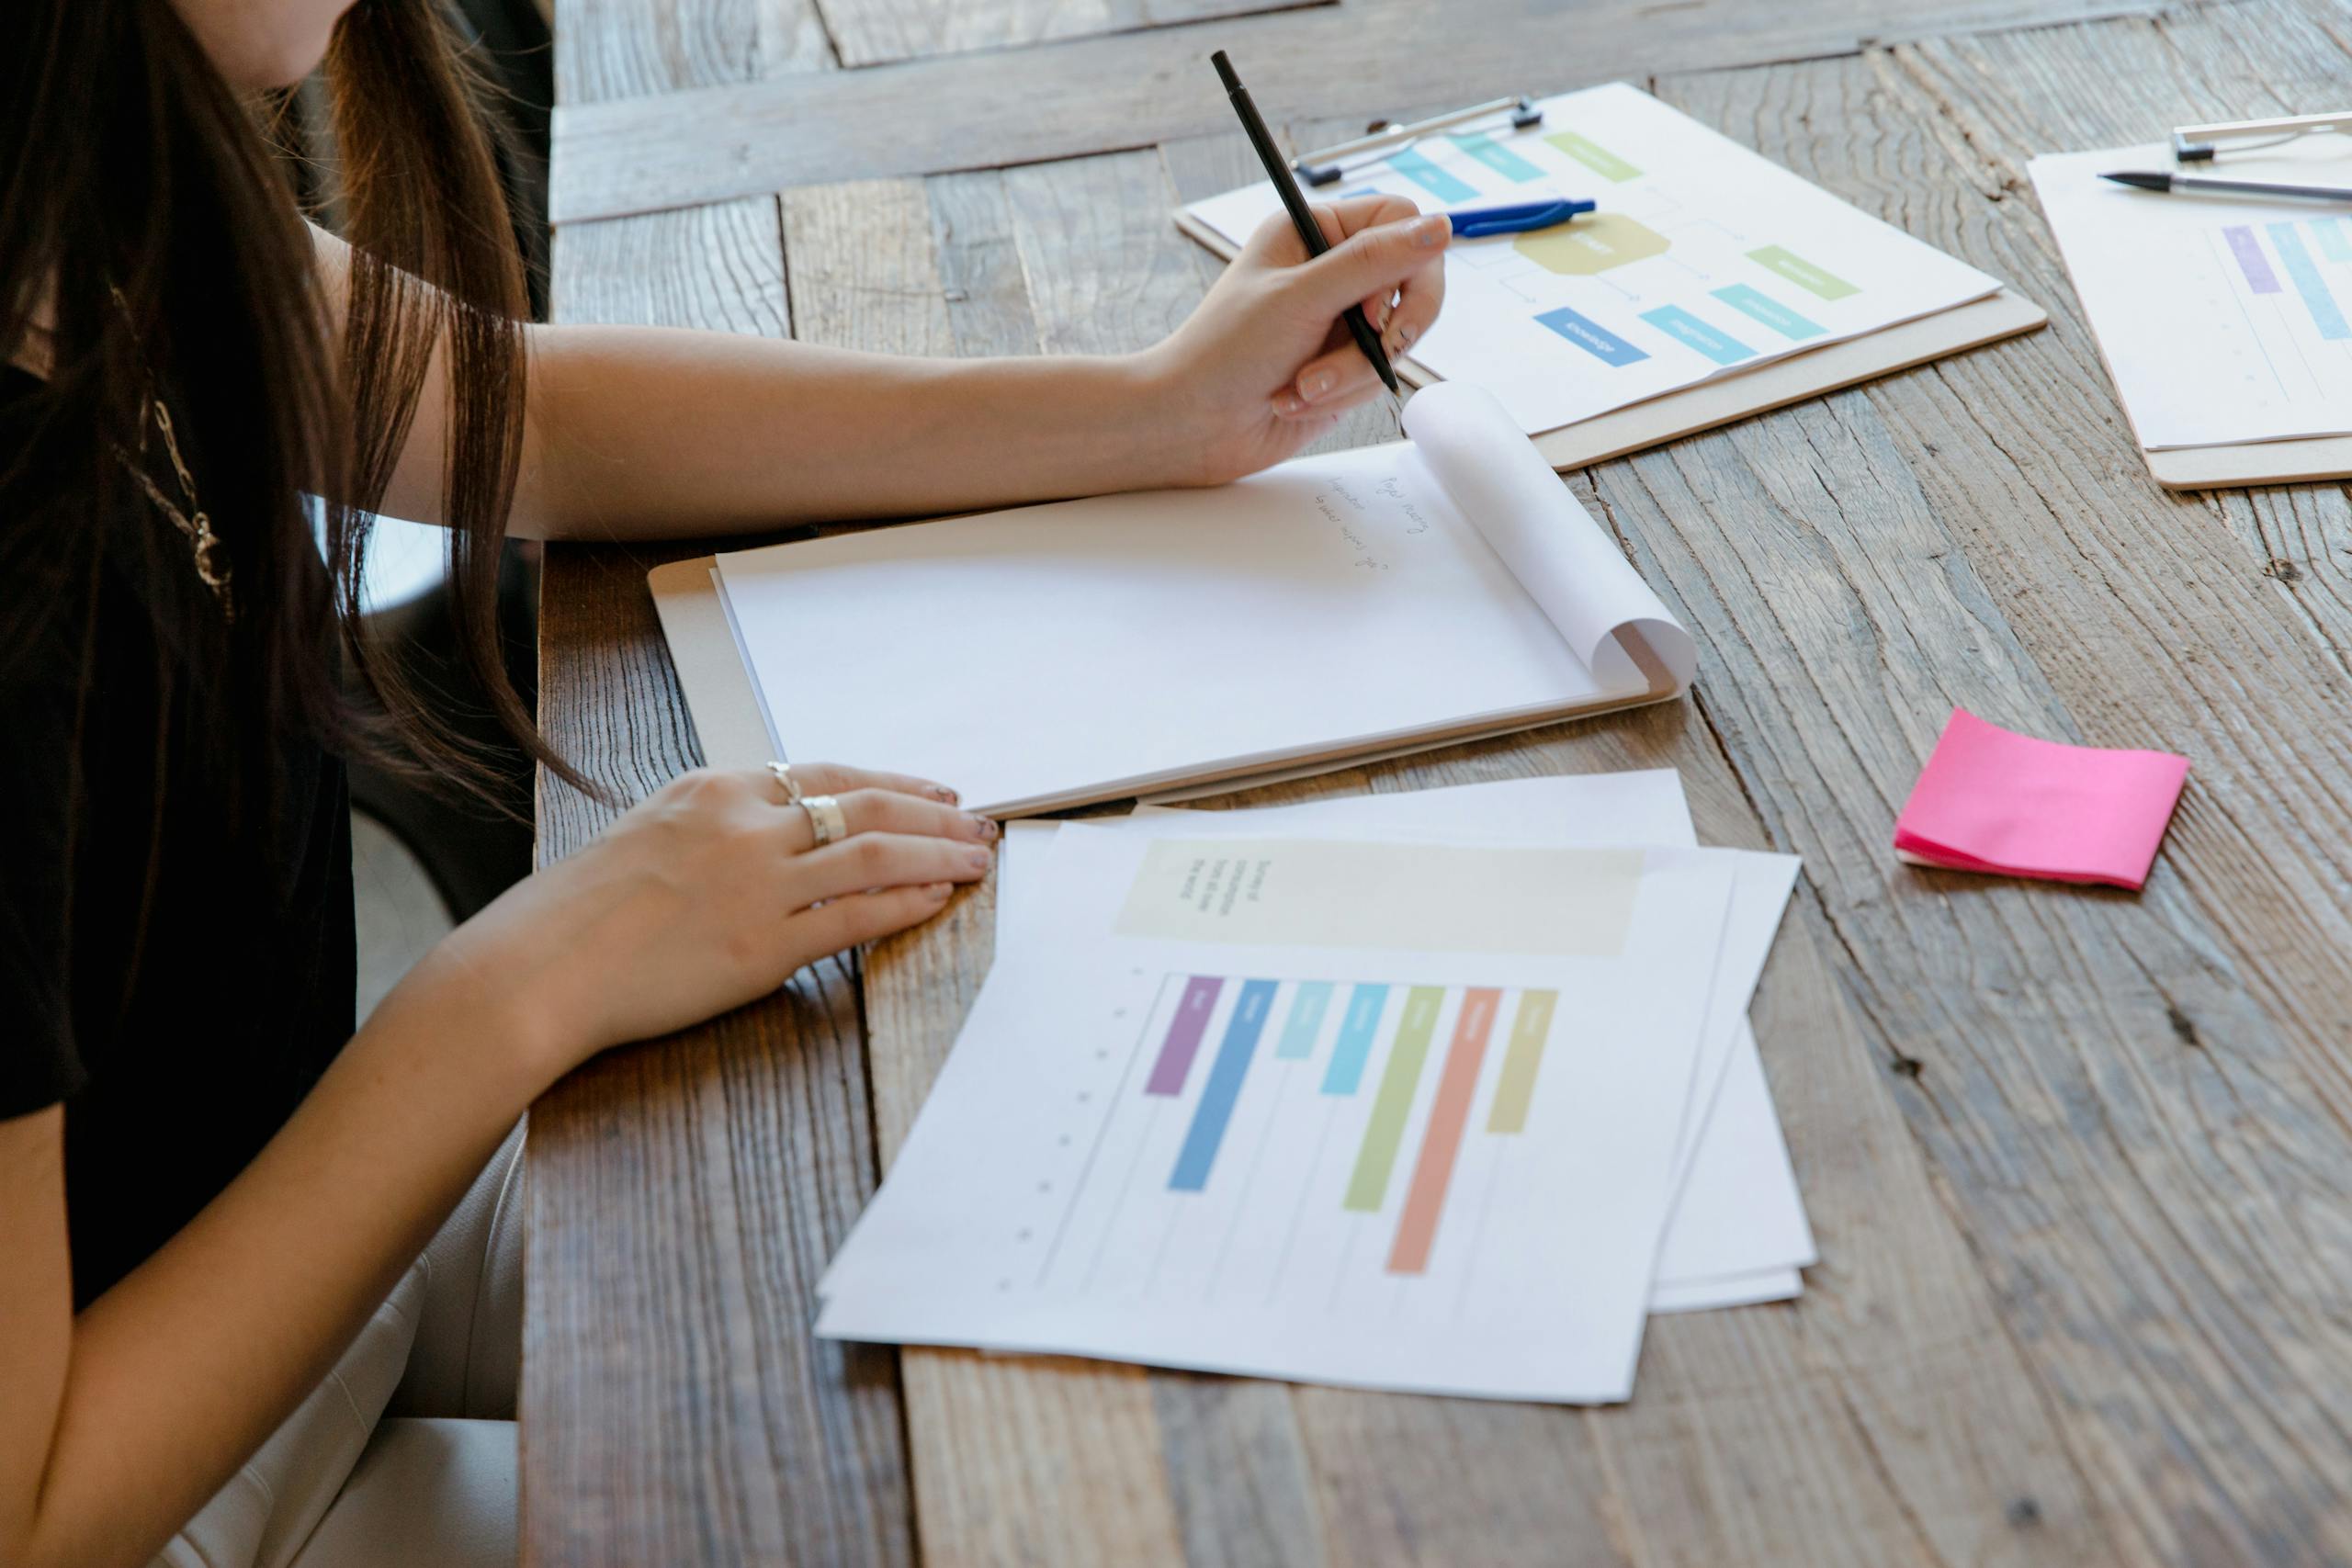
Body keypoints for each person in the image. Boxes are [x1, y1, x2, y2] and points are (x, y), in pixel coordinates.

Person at [0, 1, 1450, 1564]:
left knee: (1040, 1233)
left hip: (284, 1218)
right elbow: (40, 1503)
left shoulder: (98, 183)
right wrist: (523, 981)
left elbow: (529, 419)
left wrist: (1155, 411)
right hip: (139, 1455)